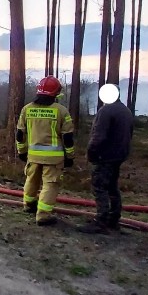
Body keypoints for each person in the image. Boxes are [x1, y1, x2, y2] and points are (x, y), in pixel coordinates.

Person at [15, 76, 75, 226]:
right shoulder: (61, 111)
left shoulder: (27, 109)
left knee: (31, 180)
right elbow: (68, 137)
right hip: (53, 159)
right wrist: (70, 156)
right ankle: (43, 215)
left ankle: (28, 205)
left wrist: (21, 151)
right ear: (56, 93)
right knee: (50, 185)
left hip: (33, 155)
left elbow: (20, 134)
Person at [78, 84, 134, 234]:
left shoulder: (105, 111)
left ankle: (101, 222)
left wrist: (91, 152)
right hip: (119, 155)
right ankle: (113, 219)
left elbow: (99, 136)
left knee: (100, 186)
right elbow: (130, 134)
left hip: (105, 156)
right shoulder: (126, 111)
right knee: (112, 187)